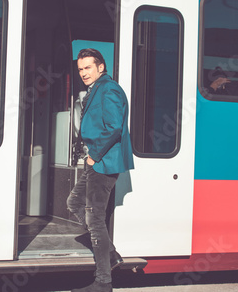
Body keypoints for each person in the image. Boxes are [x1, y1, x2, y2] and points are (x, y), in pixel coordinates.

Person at [67, 48, 134, 292]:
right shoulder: (97, 89)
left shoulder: (109, 89)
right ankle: (112, 255)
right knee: (74, 203)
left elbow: (114, 126)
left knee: (94, 220)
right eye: (81, 69)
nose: (84, 73)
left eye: (88, 68)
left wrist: (94, 155)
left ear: (100, 67)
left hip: (104, 162)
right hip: (97, 160)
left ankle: (103, 282)